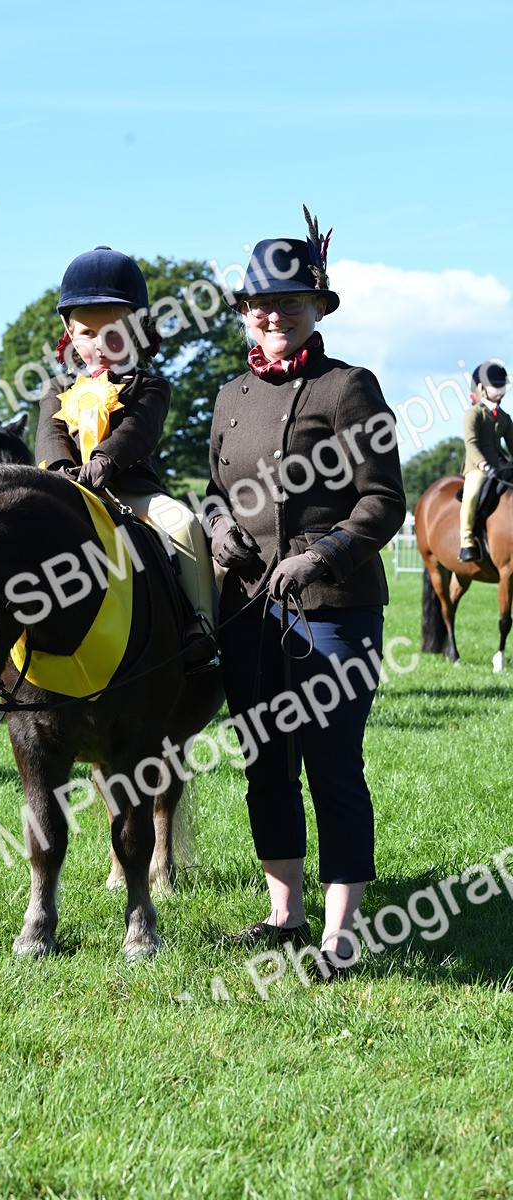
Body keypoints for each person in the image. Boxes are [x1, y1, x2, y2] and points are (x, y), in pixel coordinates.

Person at [206, 209, 406, 977]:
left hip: (335, 610)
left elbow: (381, 501)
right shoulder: (228, 396)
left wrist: (323, 554)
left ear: (317, 308)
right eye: (260, 304)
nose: (272, 314)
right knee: (264, 763)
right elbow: (219, 488)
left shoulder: (350, 387)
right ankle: (283, 915)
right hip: (249, 610)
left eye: (289, 302)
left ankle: (341, 933)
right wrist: (219, 527)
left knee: (332, 763)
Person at [35, 245, 217, 672]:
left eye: (113, 332)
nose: (98, 344)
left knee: (185, 524)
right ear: (68, 332)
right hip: (64, 491)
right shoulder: (55, 386)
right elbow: (50, 433)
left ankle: (201, 627)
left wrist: (102, 463)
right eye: (86, 333)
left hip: (128, 490)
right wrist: (64, 474)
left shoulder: (150, 385)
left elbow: (138, 431)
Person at [458, 360, 513, 562]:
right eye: (496, 387)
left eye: (503, 387)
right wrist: (483, 465)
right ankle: (467, 540)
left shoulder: (505, 417)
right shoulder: (473, 414)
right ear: (482, 389)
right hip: (478, 467)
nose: (500, 391)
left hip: (500, 465)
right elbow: (471, 444)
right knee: (471, 494)